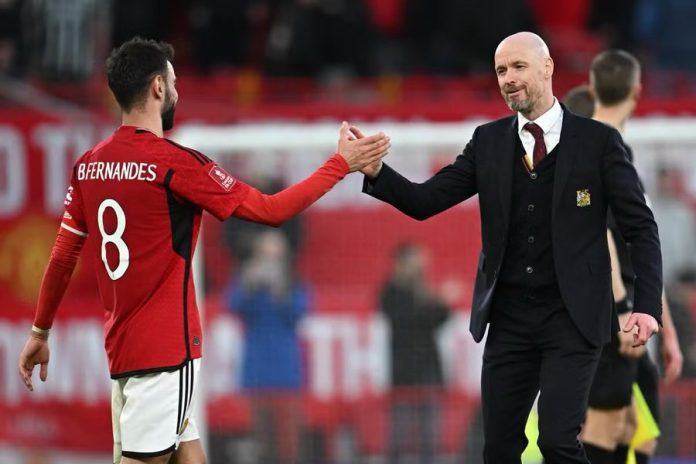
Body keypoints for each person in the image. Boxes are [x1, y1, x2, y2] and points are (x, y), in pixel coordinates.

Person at [17, 37, 390, 464]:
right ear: (158, 87)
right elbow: (271, 210)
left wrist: (40, 331)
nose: (177, 91)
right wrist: (340, 164)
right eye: (173, 82)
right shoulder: (177, 163)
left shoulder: (88, 166)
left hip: (131, 355)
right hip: (162, 360)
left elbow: (64, 256)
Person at [358, 31, 662, 464]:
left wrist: (646, 305)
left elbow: (641, 229)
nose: (508, 78)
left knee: (558, 442)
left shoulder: (598, 143)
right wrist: (377, 172)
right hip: (510, 320)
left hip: (573, 318)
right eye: (501, 70)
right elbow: (425, 202)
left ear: (547, 67)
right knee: (499, 449)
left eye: (518, 66)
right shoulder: (487, 142)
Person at [574, 49, 683, 464]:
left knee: (635, 429)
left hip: (631, 312)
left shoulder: (614, 150)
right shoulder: (596, 150)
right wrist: (622, 309)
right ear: (638, 91)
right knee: (606, 426)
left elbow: (640, 247)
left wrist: (661, 325)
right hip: (610, 315)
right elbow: (599, 234)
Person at [227, 230, 308, 464]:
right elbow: (233, 305)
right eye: (266, 255)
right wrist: (249, 283)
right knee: (259, 437)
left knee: (289, 442)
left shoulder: (293, 282)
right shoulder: (247, 278)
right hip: (257, 369)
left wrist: (280, 290)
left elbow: (299, 312)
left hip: (286, 370)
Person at [380, 242, 450, 464]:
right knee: (400, 432)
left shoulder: (424, 289)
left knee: (430, 433)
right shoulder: (391, 292)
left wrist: (441, 303)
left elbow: (437, 319)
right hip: (405, 372)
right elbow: (410, 318)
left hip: (428, 370)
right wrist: (437, 302)